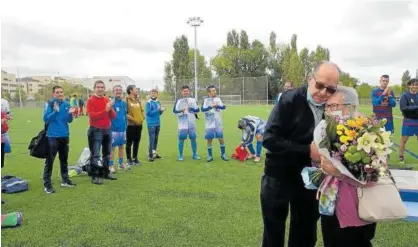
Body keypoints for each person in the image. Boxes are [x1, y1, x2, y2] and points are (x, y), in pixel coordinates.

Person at [261, 61, 340, 247]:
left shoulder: (335, 105)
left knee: (305, 229)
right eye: (320, 85)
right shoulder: (289, 99)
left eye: (330, 89)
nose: (323, 93)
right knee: (274, 230)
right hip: (278, 175)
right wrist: (306, 150)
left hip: (311, 178)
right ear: (310, 79)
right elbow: (269, 139)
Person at [319, 86, 377, 247]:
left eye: (334, 106)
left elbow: (373, 177)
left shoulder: (368, 133)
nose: (329, 111)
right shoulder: (329, 130)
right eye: (327, 106)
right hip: (331, 208)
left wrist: (339, 173)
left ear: (351, 107)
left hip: (356, 212)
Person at [42, 86, 77, 193]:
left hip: (64, 136)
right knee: (50, 161)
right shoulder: (50, 104)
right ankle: (47, 184)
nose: (60, 94)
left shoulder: (66, 104)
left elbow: (69, 120)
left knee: (64, 159)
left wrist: (70, 114)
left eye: (61, 92)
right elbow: (45, 118)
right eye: (57, 92)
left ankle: (65, 180)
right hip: (52, 136)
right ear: (53, 94)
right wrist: (55, 112)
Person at [87, 80, 117, 184]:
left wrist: (110, 108)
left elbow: (113, 116)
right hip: (96, 130)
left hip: (107, 129)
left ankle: (105, 172)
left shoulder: (106, 99)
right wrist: (106, 110)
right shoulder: (90, 100)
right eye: (98, 87)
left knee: (107, 153)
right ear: (94, 88)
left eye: (102, 87)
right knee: (95, 154)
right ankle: (94, 175)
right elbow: (92, 117)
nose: (100, 89)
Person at [201, 85, 228, 162]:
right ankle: (210, 156)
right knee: (209, 139)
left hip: (218, 123)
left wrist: (217, 106)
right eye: (213, 91)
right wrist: (210, 107)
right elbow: (202, 109)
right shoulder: (205, 100)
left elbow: (223, 107)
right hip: (209, 124)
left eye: (215, 90)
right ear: (209, 92)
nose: (214, 92)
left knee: (221, 138)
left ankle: (223, 155)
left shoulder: (218, 99)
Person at [172, 85, 200, 161]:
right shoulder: (178, 101)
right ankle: (180, 155)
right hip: (182, 124)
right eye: (184, 91)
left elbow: (198, 110)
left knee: (193, 138)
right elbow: (174, 111)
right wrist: (182, 111)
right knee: (181, 139)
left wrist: (192, 109)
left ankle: (194, 154)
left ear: (189, 91)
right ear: (182, 92)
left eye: (187, 91)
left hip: (191, 123)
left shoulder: (193, 100)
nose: (186, 92)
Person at [109, 85, 130, 173]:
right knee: (112, 148)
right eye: (116, 90)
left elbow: (125, 115)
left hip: (122, 129)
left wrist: (126, 125)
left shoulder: (124, 103)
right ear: (113, 92)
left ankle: (121, 164)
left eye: (120, 90)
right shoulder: (111, 103)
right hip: (113, 130)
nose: (118, 91)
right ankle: (110, 165)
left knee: (121, 147)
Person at [399, 78, 418, 164]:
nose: (415, 86)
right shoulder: (405, 96)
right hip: (408, 120)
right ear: (409, 85)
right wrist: (415, 107)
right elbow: (403, 108)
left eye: (416, 84)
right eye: (413, 84)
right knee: (404, 139)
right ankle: (401, 156)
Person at [125, 85, 145, 166]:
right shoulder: (126, 101)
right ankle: (129, 159)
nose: (137, 90)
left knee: (137, 142)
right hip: (131, 125)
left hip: (139, 125)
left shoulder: (137, 100)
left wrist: (142, 118)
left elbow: (141, 110)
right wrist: (134, 120)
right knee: (129, 143)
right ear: (130, 91)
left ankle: (135, 158)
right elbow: (125, 114)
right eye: (135, 89)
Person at [145, 89, 165, 162]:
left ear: (157, 94)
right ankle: (150, 155)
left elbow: (159, 113)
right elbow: (148, 113)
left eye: (155, 93)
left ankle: (154, 153)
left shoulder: (158, 102)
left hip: (157, 123)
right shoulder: (148, 102)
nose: (153, 94)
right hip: (151, 124)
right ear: (150, 94)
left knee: (156, 139)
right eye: (152, 93)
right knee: (152, 140)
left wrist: (161, 111)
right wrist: (157, 109)